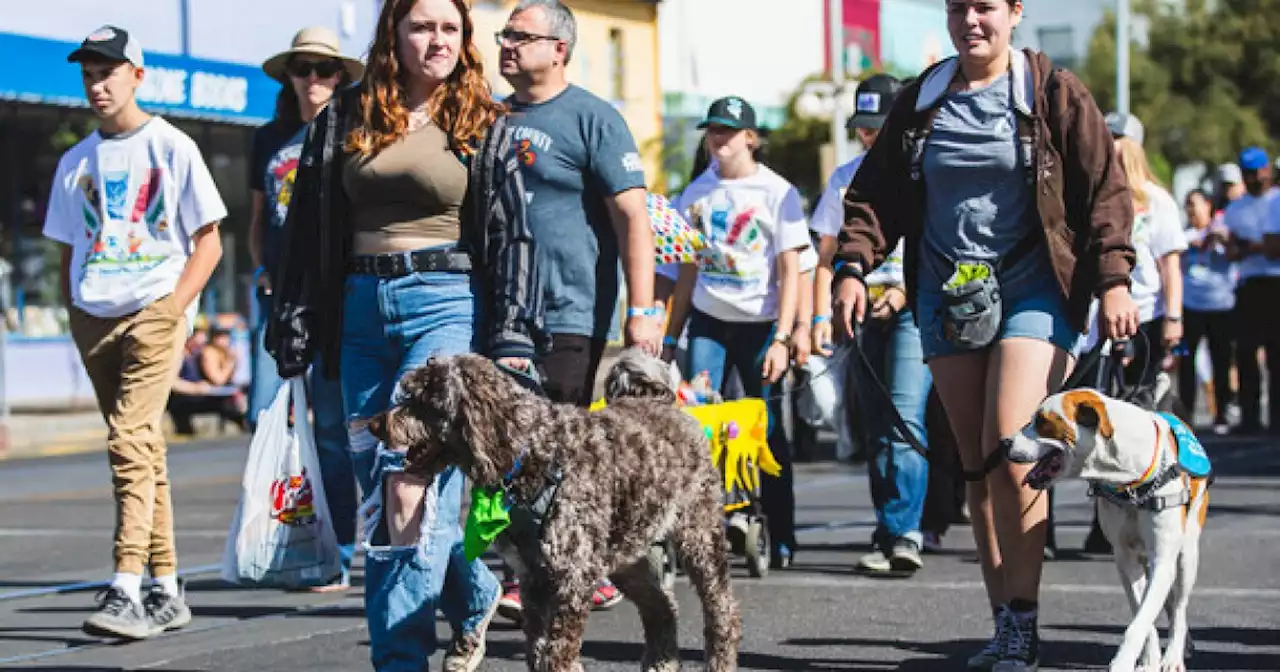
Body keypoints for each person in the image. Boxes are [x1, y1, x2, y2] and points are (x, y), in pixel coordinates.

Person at [830, 0, 1139, 667]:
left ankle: (1025, 626)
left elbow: (1104, 190)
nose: (972, 20)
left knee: (1015, 447)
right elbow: (873, 194)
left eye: (986, 7)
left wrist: (1114, 279)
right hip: (947, 292)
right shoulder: (925, 98)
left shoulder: (1052, 92)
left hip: (1035, 287)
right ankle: (1004, 620)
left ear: (1015, 12)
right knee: (975, 465)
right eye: (958, 7)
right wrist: (852, 265)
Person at [267, 0, 545, 669]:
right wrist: (294, 312)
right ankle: (475, 593)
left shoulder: (482, 119)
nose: (438, 39)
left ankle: (399, 658)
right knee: (387, 492)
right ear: (393, 34)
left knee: (406, 475)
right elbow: (306, 222)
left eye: (450, 27)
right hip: (358, 310)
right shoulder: (344, 115)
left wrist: (511, 333)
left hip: (445, 302)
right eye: (422, 25)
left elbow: (512, 234)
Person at [42, 26, 226, 639]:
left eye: (109, 72)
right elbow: (68, 247)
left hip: (154, 306)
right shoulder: (74, 162)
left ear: (137, 76)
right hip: (93, 313)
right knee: (144, 449)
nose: (97, 84)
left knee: (127, 440)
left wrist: (174, 308)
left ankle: (125, 584)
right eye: (89, 74)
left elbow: (209, 242)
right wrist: (74, 307)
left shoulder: (173, 146)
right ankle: (168, 587)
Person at [493, 0, 660, 617]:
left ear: (559, 48)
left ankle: (576, 567)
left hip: (570, 310)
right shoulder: (490, 116)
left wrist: (642, 311)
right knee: (507, 446)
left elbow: (632, 217)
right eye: (503, 35)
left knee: (555, 444)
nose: (507, 44)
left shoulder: (594, 117)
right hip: (502, 313)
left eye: (520, 35)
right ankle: (533, 567)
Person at [664, 95, 809, 570]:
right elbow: (687, 270)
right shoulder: (695, 193)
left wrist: (786, 338)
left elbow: (791, 270)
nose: (718, 140)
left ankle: (782, 532)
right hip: (710, 322)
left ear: (750, 137)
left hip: (762, 325)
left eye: (728, 131)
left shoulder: (777, 192)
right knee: (699, 425)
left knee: (765, 431)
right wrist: (670, 337)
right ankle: (703, 530)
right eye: (712, 131)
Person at [249, 25, 364, 592]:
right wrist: (263, 271)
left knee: (335, 428)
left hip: (336, 299)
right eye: (303, 69)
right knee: (273, 421)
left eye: (325, 69)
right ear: (288, 76)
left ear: (340, 77)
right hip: (280, 299)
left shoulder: (352, 132)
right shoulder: (268, 138)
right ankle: (294, 538)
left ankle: (341, 547)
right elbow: (255, 220)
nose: (314, 79)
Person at [812, 74, 934, 575]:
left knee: (906, 418)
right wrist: (821, 313)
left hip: (911, 309)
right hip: (858, 310)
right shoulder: (844, 178)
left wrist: (903, 292)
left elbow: (931, 245)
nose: (868, 136)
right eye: (862, 128)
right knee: (877, 428)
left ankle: (907, 534)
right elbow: (824, 254)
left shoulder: (921, 171)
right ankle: (888, 528)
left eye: (877, 126)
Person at [1224, 147, 1279, 435]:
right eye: (1249, 173)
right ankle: (1249, 417)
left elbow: (1274, 250)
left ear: (1267, 170)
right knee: (1246, 353)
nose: (1255, 177)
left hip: (1275, 282)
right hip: (1248, 284)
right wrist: (1251, 247)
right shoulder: (1236, 208)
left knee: (1276, 355)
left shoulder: (1277, 200)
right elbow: (1232, 250)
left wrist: (1251, 247)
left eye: (1259, 171)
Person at [1179, 188, 1236, 434]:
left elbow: (1236, 255)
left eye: (1196, 204)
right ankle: (1185, 414)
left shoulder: (1221, 231)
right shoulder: (1183, 236)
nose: (1192, 210)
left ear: (1209, 205)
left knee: (1221, 360)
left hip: (1220, 305)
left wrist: (1221, 241)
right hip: (1191, 306)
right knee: (1187, 362)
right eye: (1188, 205)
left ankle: (1221, 413)